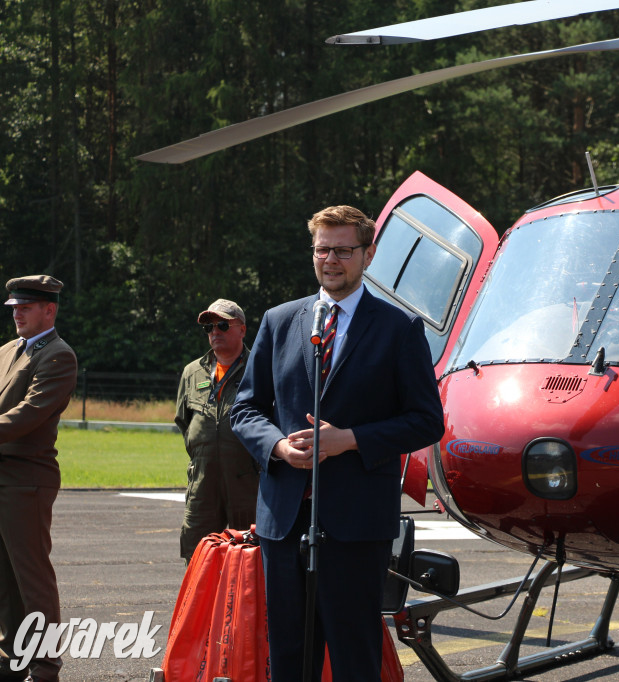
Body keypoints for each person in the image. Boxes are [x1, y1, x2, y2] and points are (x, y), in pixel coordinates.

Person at [230, 205, 444, 679]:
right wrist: (280, 448)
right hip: (284, 521)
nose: (331, 259)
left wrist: (349, 440)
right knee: (288, 655)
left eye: (343, 250)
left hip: (356, 524)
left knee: (353, 654)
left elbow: (427, 421)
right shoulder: (280, 320)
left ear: (368, 254)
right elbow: (244, 409)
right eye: (322, 249)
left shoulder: (399, 328)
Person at [0, 276, 77, 682]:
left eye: (25, 307)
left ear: (49, 310)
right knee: (4, 576)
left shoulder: (58, 356)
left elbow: (29, 415)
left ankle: (45, 666)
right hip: (3, 476)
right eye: (14, 307)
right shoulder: (7, 351)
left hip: (26, 479)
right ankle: (11, 657)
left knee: (31, 579)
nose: (16, 313)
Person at [175, 299, 257, 561]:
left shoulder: (260, 369)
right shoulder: (192, 373)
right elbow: (184, 422)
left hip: (247, 484)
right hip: (203, 482)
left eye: (222, 325)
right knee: (199, 554)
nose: (215, 332)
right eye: (209, 328)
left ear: (242, 329)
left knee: (249, 555)